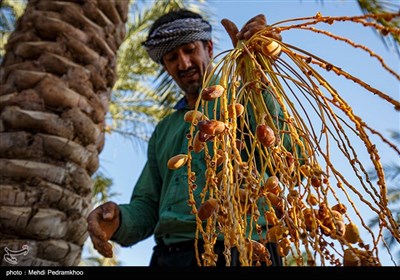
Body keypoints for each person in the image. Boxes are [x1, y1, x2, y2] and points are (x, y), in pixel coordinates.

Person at [87, 9, 286, 267]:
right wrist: (120, 221)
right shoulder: (165, 130)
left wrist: (256, 73)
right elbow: (148, 206)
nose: (183, 64)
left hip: (246, 250)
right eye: (172, 58)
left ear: (210, 48)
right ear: (166, 67)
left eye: (190, 50)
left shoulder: (245, 99)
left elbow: (287, 160)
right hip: (172, 258)